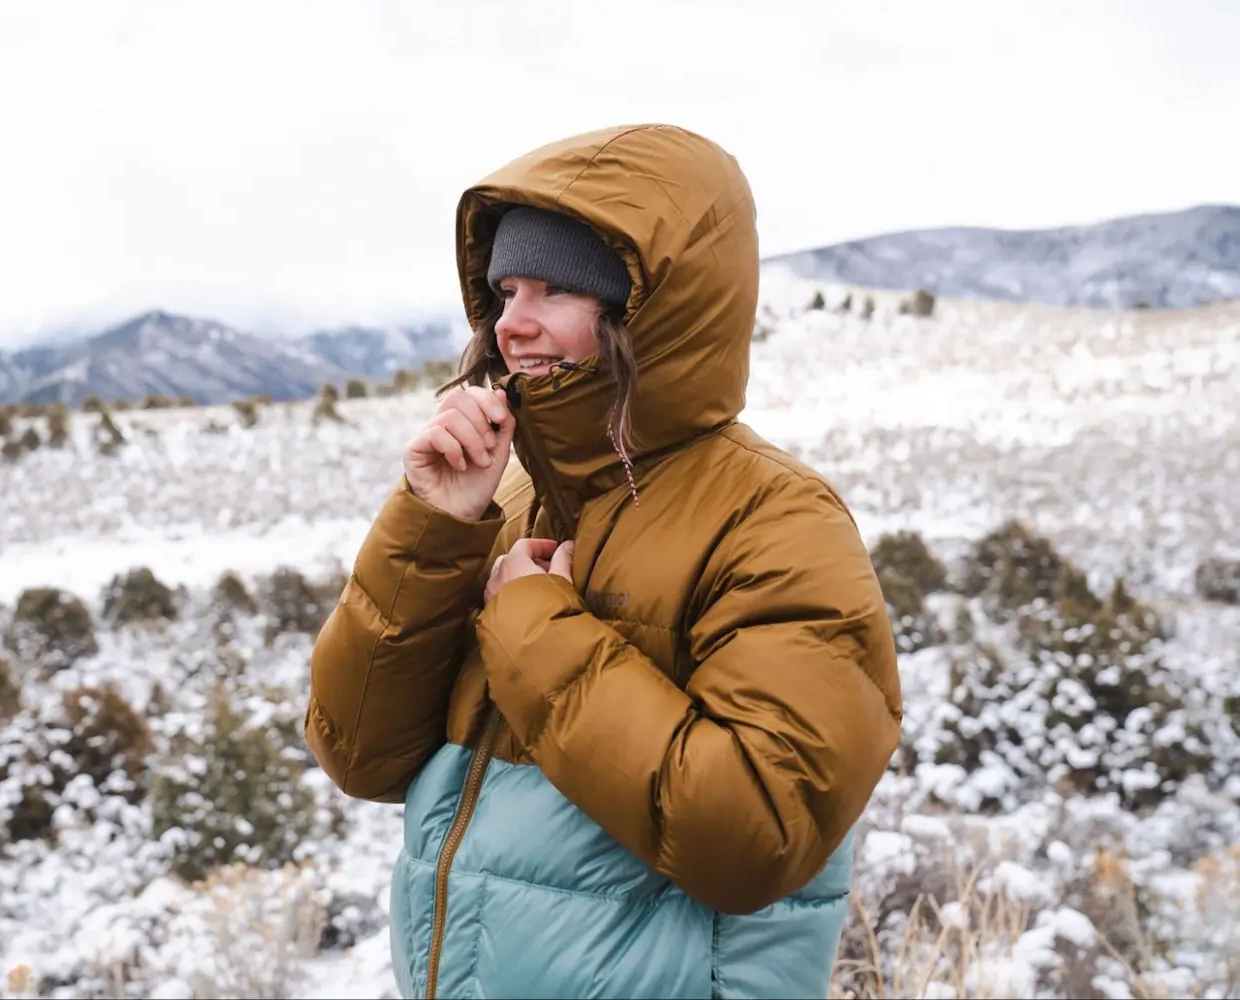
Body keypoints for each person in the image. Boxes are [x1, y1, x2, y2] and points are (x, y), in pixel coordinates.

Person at [306, 123, 902, 1000]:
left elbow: (759, 833)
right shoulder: (508, 498)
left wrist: (535, 629)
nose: (513, 322)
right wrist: (435, 527)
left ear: (651, 310)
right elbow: (359, 754)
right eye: (506, 288)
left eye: (555, 289)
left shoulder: (775, 520)